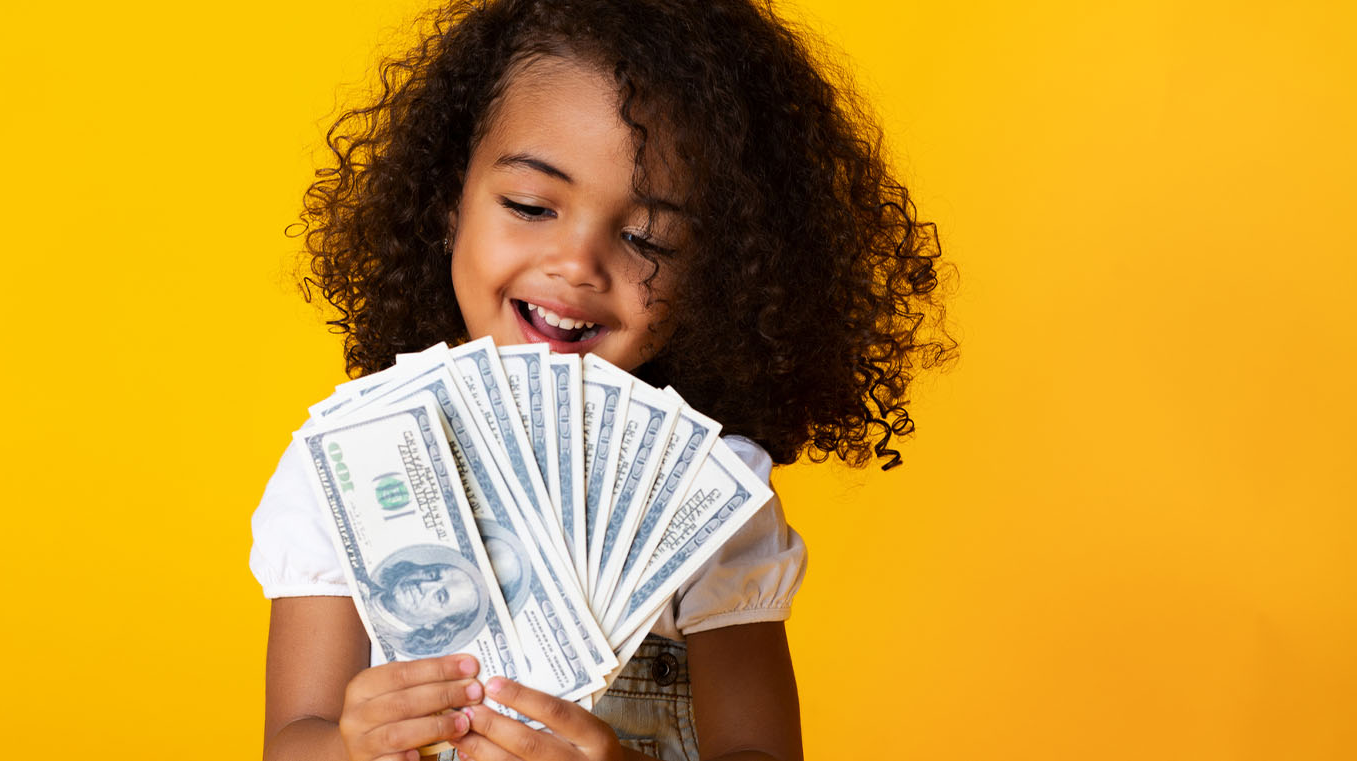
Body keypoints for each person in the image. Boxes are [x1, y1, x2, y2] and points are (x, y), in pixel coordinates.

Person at [251, 1, 954, 760]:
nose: (578, 264)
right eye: (529, 205)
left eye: (647, 240)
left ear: (718, 276)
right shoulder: (348, 461)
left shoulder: (711, 494)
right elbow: (293, 739)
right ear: (448, 197)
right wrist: (351, 745)